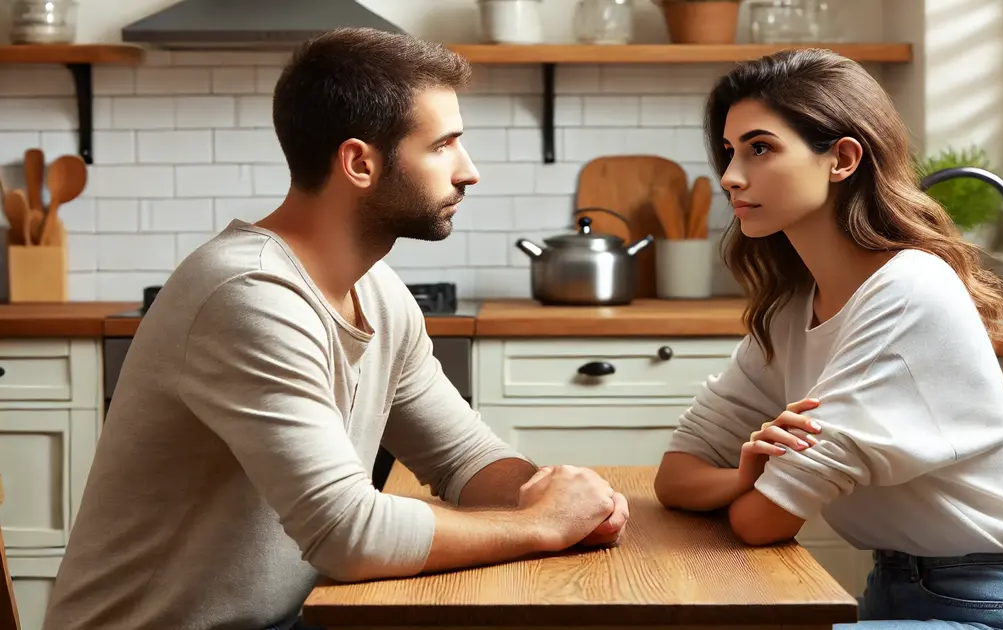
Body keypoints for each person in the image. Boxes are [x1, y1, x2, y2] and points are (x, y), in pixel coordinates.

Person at [43, 27, 628, 630]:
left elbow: (462, 457)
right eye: (443, 145)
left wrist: (560, 495)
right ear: (359, 163)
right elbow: (347, 534)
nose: (468, 172)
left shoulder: (377, 290)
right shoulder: (249, 295)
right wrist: (539, 522)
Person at [652, 49, 1003, 629]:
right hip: (898, 590)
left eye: (760, 148)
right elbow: (676, 473)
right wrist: (740, 476)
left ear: (842, 159)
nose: (731, 176)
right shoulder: (792, 309)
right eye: (730, 152)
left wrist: (753, 488)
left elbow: (766, 521)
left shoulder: (908, 291)